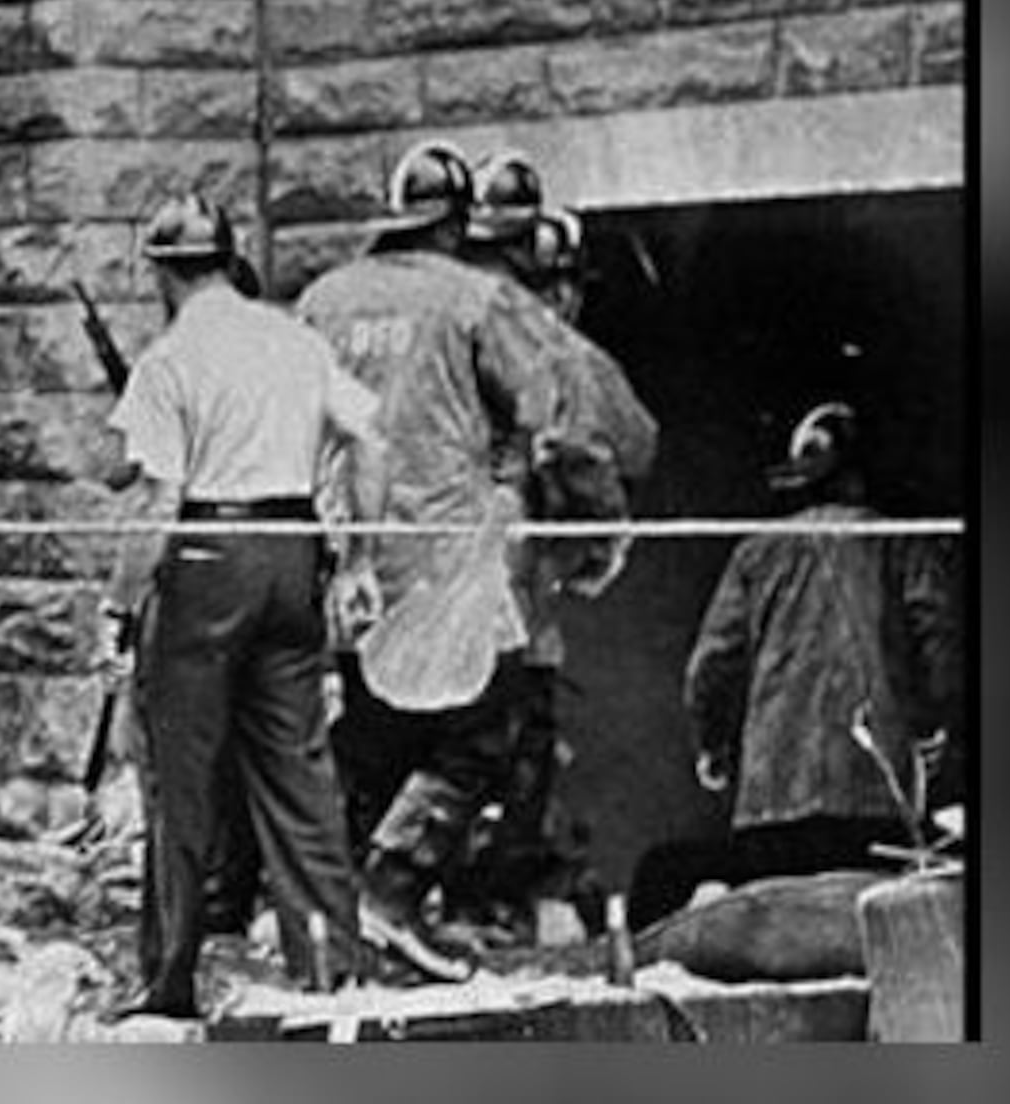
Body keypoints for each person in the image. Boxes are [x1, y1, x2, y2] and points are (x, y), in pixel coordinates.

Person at [97, 195, 385, 1019]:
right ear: (230, 259)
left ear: (160, 271)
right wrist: (360, 556)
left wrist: (119, 611)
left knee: (182, 781)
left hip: (206, 558)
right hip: (295, 553)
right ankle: (333, 973)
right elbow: (371, 439)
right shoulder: (295, 341)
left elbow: (154, 499)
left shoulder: (170, 359)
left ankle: (170, 985)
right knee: (300, 775)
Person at [291, 140, 565, 985]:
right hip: (447, 556)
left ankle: (321, 921)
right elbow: (544, 409)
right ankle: (395, 885)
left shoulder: (321, 299)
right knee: (493, 721)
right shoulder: (476, 298)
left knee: (367, 736)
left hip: (347, 556)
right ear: (456, 224)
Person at [627, 401, 963, 927]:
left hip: (770, 812)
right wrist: (932, 727)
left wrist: (713, 746)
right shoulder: (902, 543)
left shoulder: (757, 554)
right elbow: (939, 644)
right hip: (876, 807)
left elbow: (711, 665)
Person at [449, 178, 660, 940]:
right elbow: (625, 438)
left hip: (411, 569)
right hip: (504, 568)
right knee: (513, 731)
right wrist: (602, 540)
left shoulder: (439, 315)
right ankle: (494, 896)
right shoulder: (544, 342)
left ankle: (453, 894)